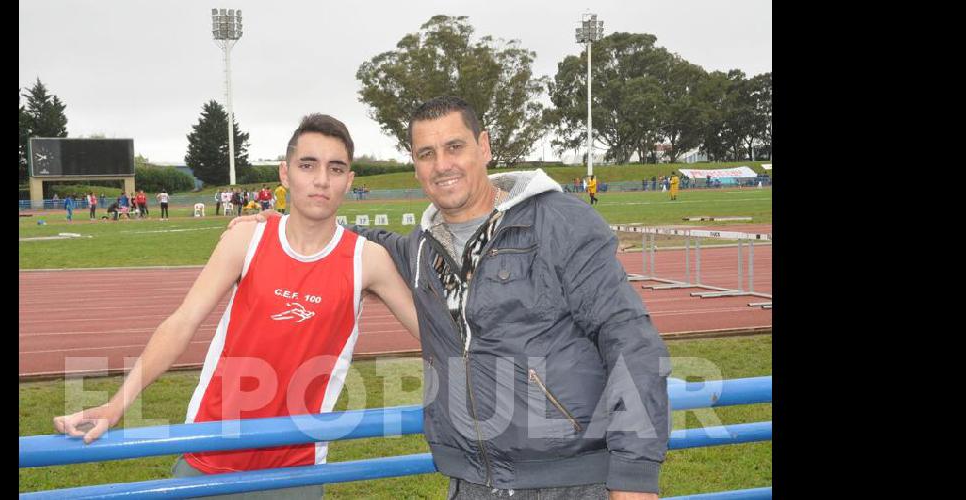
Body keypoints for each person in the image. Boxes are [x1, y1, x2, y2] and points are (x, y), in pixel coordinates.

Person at [231, 97, 670, 499]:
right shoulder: (422, 246)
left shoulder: (559, 222)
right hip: (470, 483)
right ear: (416, 165)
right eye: (427, 154)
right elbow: (367, 243)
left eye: (454, 147)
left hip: (569, 482)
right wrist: (286, 224)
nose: (442, 165)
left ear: (484, 147)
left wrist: (634, 473)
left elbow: (631, 341)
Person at [52, 114, 419, 497]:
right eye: (307, 165)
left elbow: (433, 334)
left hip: (296, 467)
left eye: (336, 168)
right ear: (285, 173)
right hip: (211, 450)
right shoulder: (247, 239)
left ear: (349, 180)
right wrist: (116, 404)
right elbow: (183, 322)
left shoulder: (367, 260)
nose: (321, 179)